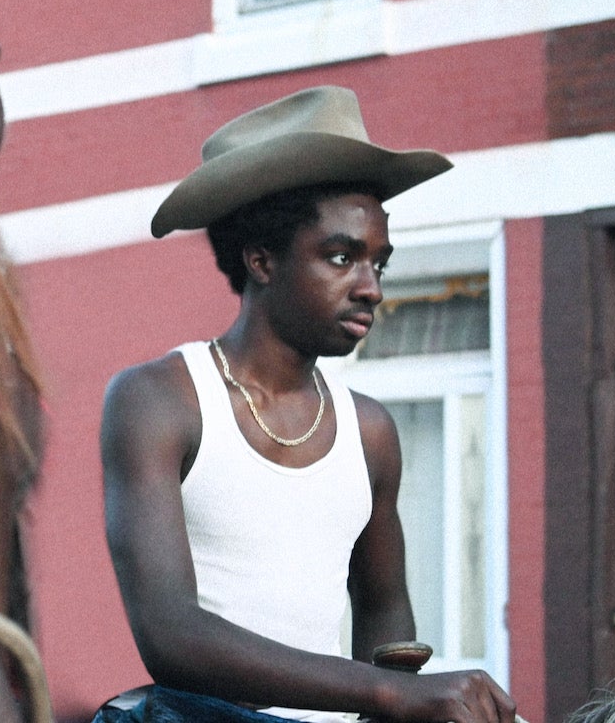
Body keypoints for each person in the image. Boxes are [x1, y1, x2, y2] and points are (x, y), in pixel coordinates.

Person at [98, 87, 517, 723]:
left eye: (380, 262)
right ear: (261, 260)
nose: (371, 288)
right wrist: (388, 693)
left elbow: (383, 617)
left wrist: (401, 699)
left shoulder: (370, 430)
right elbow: (171, 635)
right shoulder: (159, 401)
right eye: (342, 257)